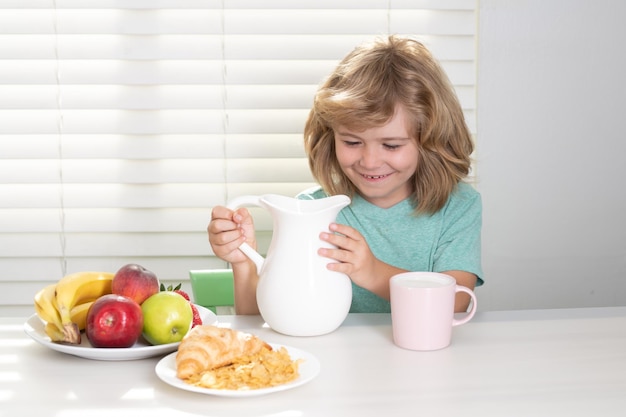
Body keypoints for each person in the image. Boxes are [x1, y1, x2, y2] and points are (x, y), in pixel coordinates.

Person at [208, 35, 483, 314]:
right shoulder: (313, 210)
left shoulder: (458, 207)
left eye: (391, 145)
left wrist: (372, 272)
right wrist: (243, 261)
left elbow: (457, 302)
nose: (370, 161)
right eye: (352, 142)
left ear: (431, 141)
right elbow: (265, 320)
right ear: (331, 137)